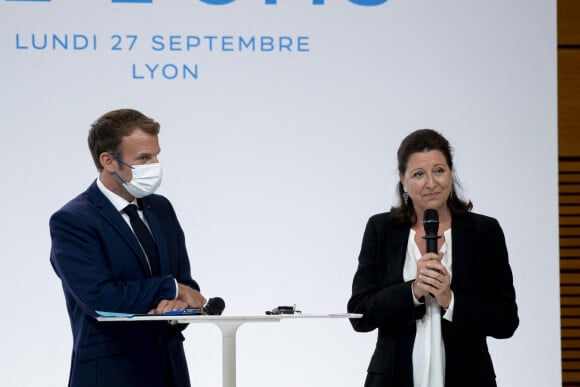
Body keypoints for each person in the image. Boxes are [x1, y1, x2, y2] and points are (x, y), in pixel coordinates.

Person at [347, 129, 519, 387]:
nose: (431, 183)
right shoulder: (380, 229)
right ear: (402, 180)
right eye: (418, 174)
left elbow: (506, 320)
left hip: (470, 378)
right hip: (393, 379)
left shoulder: (485, 231)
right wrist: (413, 291)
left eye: (439, 170)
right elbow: (359, 314)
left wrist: (450, 300)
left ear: (451, 173)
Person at [50, 108, 206, 387]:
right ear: (109, 161)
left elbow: (187, 286)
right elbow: (100, 298)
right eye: (144, 158)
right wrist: (170, 289)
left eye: (157, 154)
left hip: (170, 371)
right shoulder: (73, 220)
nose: (155, 164)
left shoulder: (161, 209)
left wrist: (178, 305)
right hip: (111, 373)